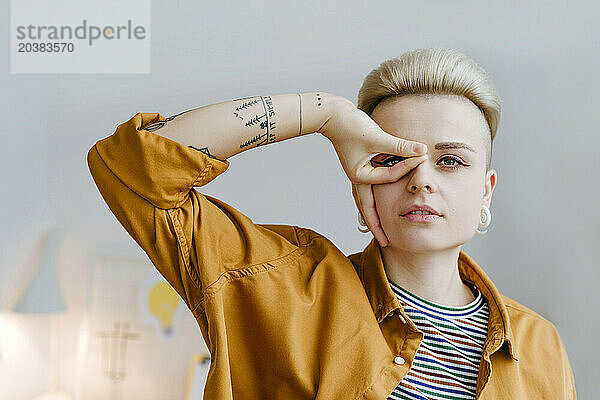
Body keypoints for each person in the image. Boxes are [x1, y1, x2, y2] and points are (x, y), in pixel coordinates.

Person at [87, 48, 576, 399]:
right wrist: (323, 114)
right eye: (394, 157)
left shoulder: (542, 348)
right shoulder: (279, 287)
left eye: (450, 161)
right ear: (362, 176)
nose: (420, 180)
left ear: (487, 189)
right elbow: (132, 167)